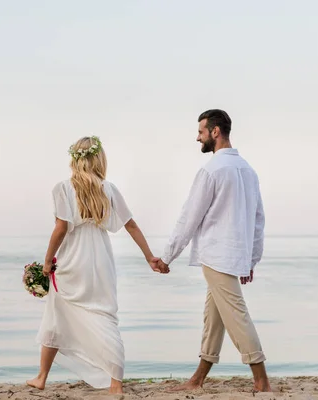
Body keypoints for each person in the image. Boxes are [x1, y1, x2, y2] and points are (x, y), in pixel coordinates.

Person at [27, 136, 168, 394]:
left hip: (72, 259)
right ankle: (116, 383)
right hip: (100, 259)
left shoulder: (63, 188)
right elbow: (131, 225)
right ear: (98, 158)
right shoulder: (109, 188)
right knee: (105, 316)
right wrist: (149, 256)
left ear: (75, 159)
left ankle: (41, 377)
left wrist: (47, 261)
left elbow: (61, 229)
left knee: (55, 317)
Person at [152, 109, 272, 393]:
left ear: (215, 132)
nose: (198, 137)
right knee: (214, 317)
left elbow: (189, 217)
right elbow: (258, 220)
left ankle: (262, 381)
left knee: (236, 316)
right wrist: (251, 260)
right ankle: (197, 379)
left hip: (217, 255)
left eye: (201, 132)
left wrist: (167, 256)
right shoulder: (248, 170)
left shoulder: (211, 170)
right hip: (234, 255)